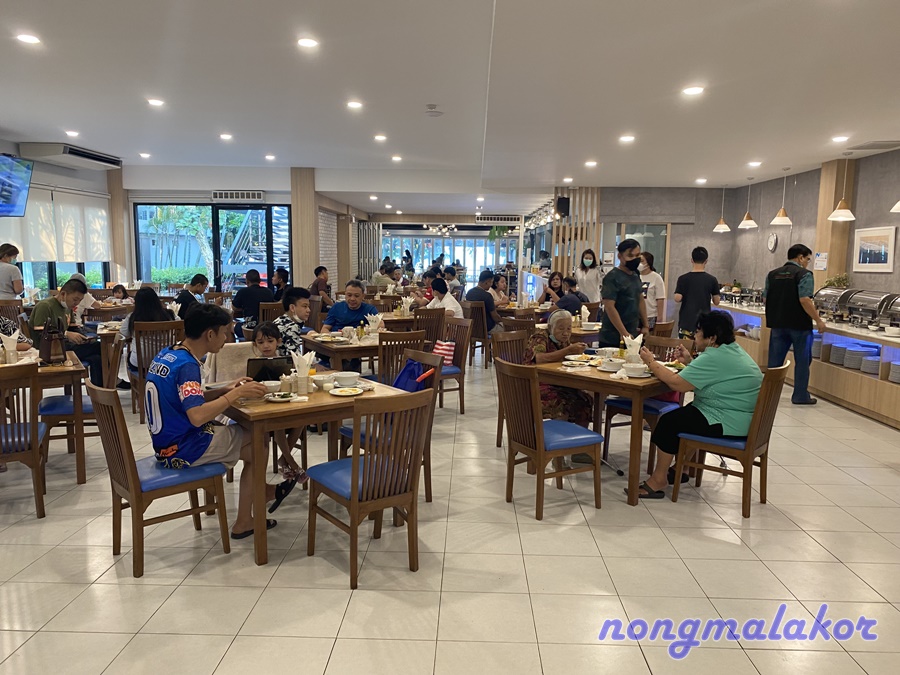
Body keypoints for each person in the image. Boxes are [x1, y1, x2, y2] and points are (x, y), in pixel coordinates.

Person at [145, 304, 295, 539]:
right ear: (210, 334)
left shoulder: (169, 354)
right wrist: (234, 394)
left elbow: (184, 400)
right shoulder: (188, 365)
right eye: (225, 332)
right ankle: (247, 517)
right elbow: (197, 416)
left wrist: (223, 390)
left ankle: (260, 497)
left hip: (165, 444)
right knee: (260, 440)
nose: (227, 338)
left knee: (254, 443)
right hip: (184, 448)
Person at [635, 311, 762, 498]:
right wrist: (690, 362)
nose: (694, 335)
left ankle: (659, 479)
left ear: (712, 338)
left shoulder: (714, 357)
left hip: (727, 421)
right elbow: (713, 375)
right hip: (741, 417)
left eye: (698, 331)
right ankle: (683, 468)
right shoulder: (730, 350)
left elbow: (678, 384)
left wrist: (651, 362)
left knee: (669, 422)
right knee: (687, 414)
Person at [765, 243, 826, 405]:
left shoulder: (772, 274)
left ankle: (769, 394)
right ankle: (800, 396)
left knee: (774, 363)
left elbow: (765, 298)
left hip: (778, 324)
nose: (807, 263)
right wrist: (818, 320)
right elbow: (805, 299)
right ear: (800, 258)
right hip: (799, 326)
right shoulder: (804, 274)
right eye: (807, 259)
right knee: (802, 361)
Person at [29, 278, 104, 386]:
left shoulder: (68, 307)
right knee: (100, 347)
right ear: (63, 294)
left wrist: (84, 337)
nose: (77, 303)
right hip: (49, 351)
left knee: (96, 358)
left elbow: (73, 328)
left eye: (80, 300)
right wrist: (66, 334)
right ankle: (113, 381)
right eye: (75, 299)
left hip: (64, 346)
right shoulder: (45, 306)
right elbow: (41, 333)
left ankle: (98, 391)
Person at [524, 310, 592, 427]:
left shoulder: (562, 340)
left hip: (557, 381)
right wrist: (568, 350)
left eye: (569, 329)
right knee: (564, 402)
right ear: (551, 327)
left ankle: (576, 436)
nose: (566, 333)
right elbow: (539, 358)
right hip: (537, 382)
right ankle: (559, 434)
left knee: (584, 399)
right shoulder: (540, 337)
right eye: (561, 328)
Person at [597, 239, 648, 348]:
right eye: (630, 256)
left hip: (633, 332)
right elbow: (609, 307)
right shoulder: (612, 277)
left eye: (637, 255)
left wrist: (646, 325)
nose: (634, 259)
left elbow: (640, 299)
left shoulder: (636, 274)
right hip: (612, 335)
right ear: (620, 256)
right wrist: (623, 332)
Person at [322, 279, 378, 371]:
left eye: (356, 296)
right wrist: (331, 338)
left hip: (358, 346)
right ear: (345, 295)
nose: (352, 299)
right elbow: (324, 329)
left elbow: (380, 325)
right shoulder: (337, 307)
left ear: (363, 296)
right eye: (349, 295)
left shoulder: (369, 309)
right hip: (338, 345)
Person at [119, 287, 177, 373]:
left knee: (129, 356)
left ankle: (135, 381)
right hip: (166, 364)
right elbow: (180, 328)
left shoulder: (133, 317)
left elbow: (123, 334)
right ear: (156, 300)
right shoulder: (169, 315)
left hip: (141, 365)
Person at [674, 246, 720, 339]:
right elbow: (717, 301)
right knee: (703, 347)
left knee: (685, 346)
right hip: (704, 323)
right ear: (706, 261)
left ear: (692, 260)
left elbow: (677, 298)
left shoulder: (683, 278)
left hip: (686, 322)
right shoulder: (712, 279)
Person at [273, 286, 317, 355]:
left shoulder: (279, 320)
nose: (309, 310)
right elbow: (295, 357)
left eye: (308, 306)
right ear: (292, 308)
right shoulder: (292, 327)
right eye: (305, 306)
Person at [232, 268, 274, 338]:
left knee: (231, 326)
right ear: (259, 280)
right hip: (267, 330)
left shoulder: (243, 292)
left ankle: (239, 345)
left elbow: (234, 308)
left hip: (249, 329)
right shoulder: (268, 292)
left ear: (247, 281)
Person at [465, 269, 504, 334]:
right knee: (509, 328)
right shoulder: (487, 296)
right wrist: (504, 320)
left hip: (472, 329)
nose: (491, 285)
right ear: (487, 282)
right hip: (488, 329)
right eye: (491, 282)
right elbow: (495, 317)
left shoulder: (469, 293)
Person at [639, 252, 666, 331]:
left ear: (648, 263)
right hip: (636, 316)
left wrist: (660, 318)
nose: (639, 263)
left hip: (650, 316)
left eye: (642, 261)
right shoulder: (635, 276)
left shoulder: (656, 277)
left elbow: (660, 298)